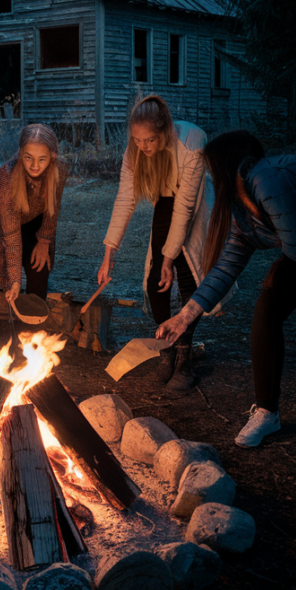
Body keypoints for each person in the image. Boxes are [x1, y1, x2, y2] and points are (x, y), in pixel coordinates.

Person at [156, 131, 296, 468]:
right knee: (267, 307)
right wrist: (185, 317)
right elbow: (226, 267)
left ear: (225, 165)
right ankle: (267, 410)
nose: (210, 177)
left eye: (211, 169)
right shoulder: (242, 211)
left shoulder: (266, 177)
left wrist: (283, 268)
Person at [98, 95, 215, 395]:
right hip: (166, 195)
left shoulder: (192, 145)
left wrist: (170, 259)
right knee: (155, 281)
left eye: (149, 140)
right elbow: (125, 198)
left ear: (166, 131)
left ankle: (185, 357)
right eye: (137, 140)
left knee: (188, 273)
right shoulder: (135, 151)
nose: (143, 147)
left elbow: (185, 208)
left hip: (195, 200)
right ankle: (168, 349)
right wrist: (109, 254)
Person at [0, 124, 67, 305]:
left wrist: (44, 241)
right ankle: (7, 316)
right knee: (9, 277)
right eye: (28, 157)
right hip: (7, 223)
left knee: (39, 268)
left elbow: (53, 208)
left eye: (42, 159)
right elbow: (11, 233)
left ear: (52, 157)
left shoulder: (59, 169)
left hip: (37, 219)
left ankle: (35, 320)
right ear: (20, 152)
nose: (34, 165)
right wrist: (16, 281)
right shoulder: (6, 175)